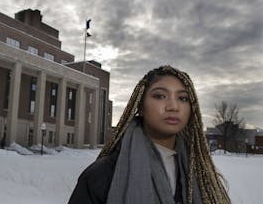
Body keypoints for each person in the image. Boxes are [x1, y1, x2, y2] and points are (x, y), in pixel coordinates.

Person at [68, 65, 230, 204]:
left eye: (183, 98)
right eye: (160, 96)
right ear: (141, 107)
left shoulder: (203, 176)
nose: (173, 106)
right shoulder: (101, 175)